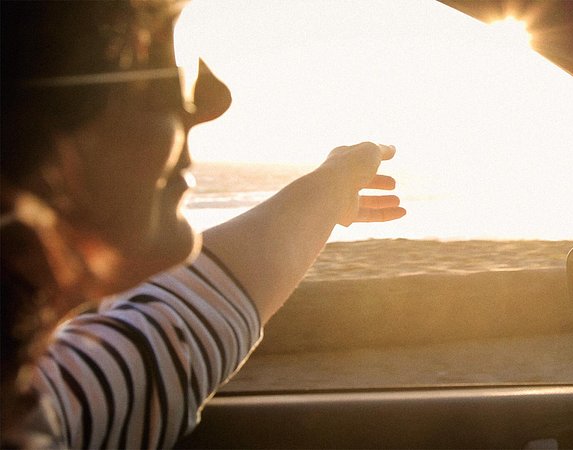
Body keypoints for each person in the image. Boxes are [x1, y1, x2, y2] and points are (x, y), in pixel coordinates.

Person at [0, 1, 405, 448]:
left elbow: (164, 341)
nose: (211, 105)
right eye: (145, 68)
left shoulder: (35, 399)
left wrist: (334, 184)